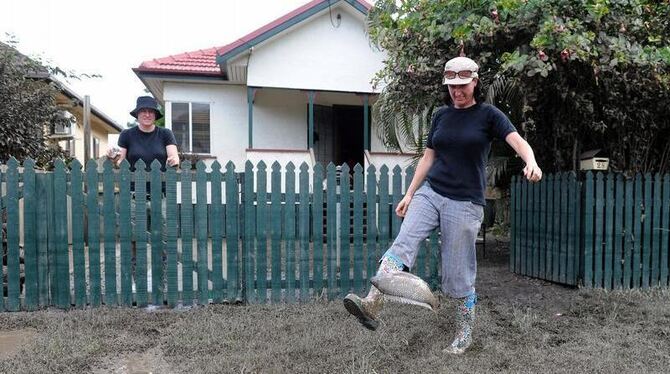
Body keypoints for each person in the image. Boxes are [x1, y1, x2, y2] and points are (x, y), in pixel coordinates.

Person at [343, 56, 542, 354]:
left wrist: (532, 161)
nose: (457, 92)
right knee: (403, 243)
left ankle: (464, 333)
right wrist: (410, 193)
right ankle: (372, 304)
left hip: (465, 203)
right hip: (431, 192)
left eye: (462, 85)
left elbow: (517, 141)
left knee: (458, 274)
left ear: (475, 82)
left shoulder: (489, 115)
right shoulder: (441, 115)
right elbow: (428, 157)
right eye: (452, 86)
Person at [107, 95, 179, 172]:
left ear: (155, 115)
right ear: (137, 114)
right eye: (143, 111)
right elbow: (121, 162)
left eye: (151, 111)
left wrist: (174, 161)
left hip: (160, 182)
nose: (147, 115)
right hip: (133, 182)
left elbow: (174, 158)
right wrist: (114, 159)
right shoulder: (126, 134)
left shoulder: (166, 133)